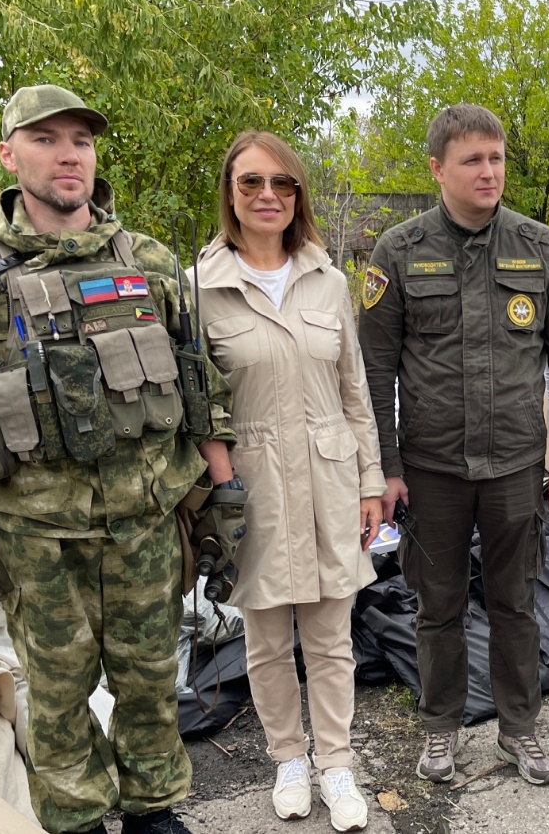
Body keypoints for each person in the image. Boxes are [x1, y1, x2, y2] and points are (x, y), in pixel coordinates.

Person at [0, 84, 242, 834]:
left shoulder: (145, 259)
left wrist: (225, 497)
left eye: (80, 140)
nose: (68, 155)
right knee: (56, 698)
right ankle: (78, 820)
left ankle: (152, 813)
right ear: (8, 153)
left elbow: (199, 386)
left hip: (147, 528)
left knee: (151, 685)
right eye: (45, 139)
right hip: (38, 538)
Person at [359, 104, 549, 786]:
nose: (489, 172)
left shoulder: (542, 247)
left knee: (517, 603)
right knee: (438, 607)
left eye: (496, 158)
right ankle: (440, 731)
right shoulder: (396, 253)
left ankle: (520, 732)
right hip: (431, 471)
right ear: (437, 168)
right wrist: (387, 469)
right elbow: (373, 371)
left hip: (517, 465)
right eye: (472, 160)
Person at [192, 131, 384, 833]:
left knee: (332, 637)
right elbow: (201, 407)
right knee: (268, 638)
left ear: (298, 194)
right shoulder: (203, 288)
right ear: (230, 194)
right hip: (254, 487)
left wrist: (370, 481)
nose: (267, 196)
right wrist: (219, 491)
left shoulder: (329, 281)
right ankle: (289, 760)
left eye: (282, 183)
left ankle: (336, 761)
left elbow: (354, 390)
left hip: (331, 480)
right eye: (251, 183)